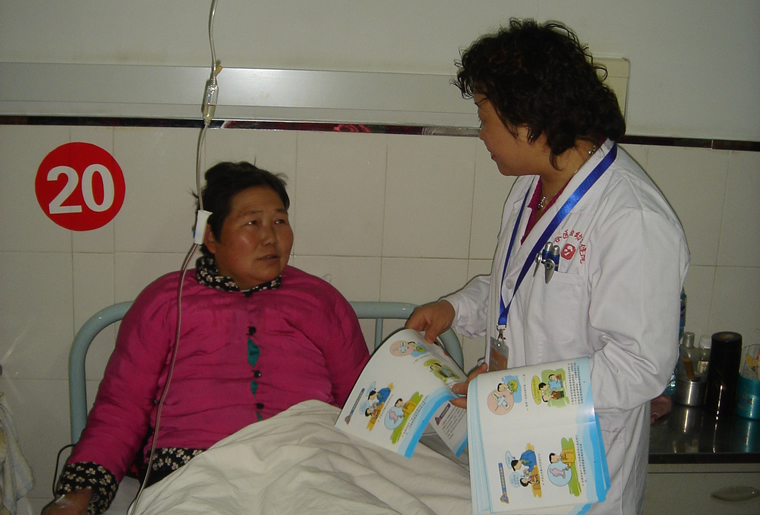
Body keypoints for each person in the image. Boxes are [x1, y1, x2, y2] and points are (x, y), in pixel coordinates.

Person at [406, 19, 689, 515]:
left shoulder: (631, 219)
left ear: (528, 117)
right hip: (520, 454)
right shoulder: (532, 187)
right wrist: (455, 308)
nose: (481, 133)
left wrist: (511, 392)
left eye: (484, 116)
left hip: (584, 471)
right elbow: (516, 288)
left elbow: (640, 367)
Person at [44, 161, 370, 514]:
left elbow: (364, 403)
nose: (270, 237)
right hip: (196, 472)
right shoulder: (165, 303)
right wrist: (77, 495)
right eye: (252, 223)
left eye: (279, 221)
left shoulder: (320, 301)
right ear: (211, 236)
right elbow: (121, 411)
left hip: (307, 463)